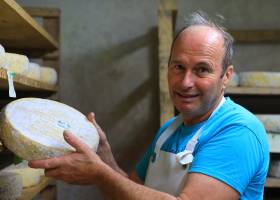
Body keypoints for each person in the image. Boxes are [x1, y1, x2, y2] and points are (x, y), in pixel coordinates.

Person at [29, 11, 269, 200]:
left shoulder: (238, 131)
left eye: (202, 69)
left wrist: (99, 174)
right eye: (178, 67)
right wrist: (105, 161)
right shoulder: (169, 130)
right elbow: (132, 191)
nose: (186, 82)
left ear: (226, 76)